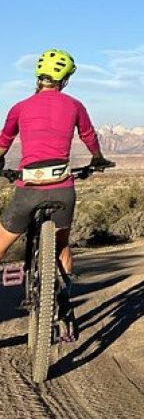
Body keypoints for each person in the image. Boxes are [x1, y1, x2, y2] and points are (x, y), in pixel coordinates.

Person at [0, 49, 112, 313]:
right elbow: (88, 135)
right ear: (65, 80)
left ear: (39, 77)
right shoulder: (74, 105)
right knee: (62, 245)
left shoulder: (20, 107)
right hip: (63, 189)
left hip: (28, 189)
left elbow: (4, 140)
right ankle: (64, 297)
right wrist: (97, 158)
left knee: (2, 243)